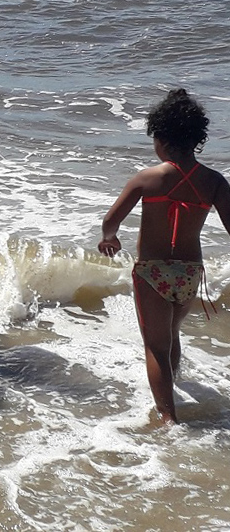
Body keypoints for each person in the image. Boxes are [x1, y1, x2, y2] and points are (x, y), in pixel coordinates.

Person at [98, 88, 230, 426]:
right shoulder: (214, 182)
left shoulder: (148, 179)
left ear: (163, 139)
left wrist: (109, 240)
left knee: (155, 345)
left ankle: (168, 419)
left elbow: (110, 221)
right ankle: (172, 384)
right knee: (172, 335)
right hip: (189, 273)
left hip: (152, 272)